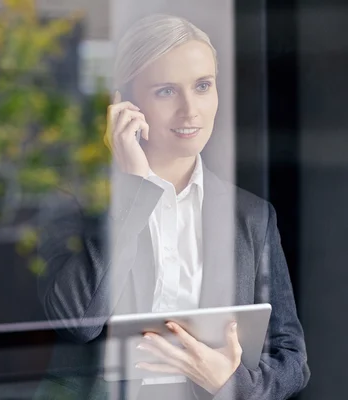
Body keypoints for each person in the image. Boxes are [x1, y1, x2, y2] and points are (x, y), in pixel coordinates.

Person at [34, 14, 310, 400]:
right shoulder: (72, 202)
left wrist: (230, 382)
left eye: (202, 86)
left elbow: (292, 361)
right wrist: (132, 190)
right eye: (166, 91)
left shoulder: (251, 216)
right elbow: (79, 321)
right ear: (126, 103)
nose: (190, 110)